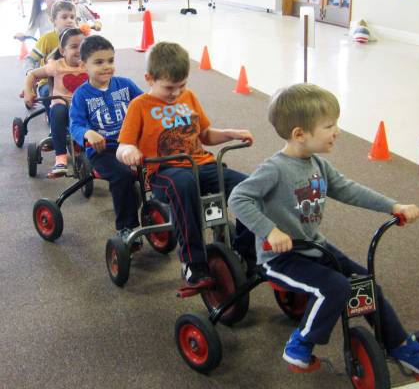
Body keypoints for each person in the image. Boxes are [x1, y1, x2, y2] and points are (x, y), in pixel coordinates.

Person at [228, 83, 419, 378]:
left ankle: (399, 346)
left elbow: (347, 189)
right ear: (299, 134)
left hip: (315, 248)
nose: (337, 131)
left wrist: (392, 205)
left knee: (365, 283)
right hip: (279, 258)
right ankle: (300, 342)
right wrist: (270, 231)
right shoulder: (275, 169)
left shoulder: (317, 163)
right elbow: (238, 198)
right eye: (329, 125)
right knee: (336, 287)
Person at [116, 42, 255, 288]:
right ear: (149, 78)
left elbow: (206, 135)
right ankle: (193, 262)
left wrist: (230, 134)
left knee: (249, 187)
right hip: (164, 171)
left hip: (201, 163)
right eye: (169, 87)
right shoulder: (139, 106)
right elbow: (123, 146)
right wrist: (129, 151)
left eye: (182, 86)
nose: (176, 93)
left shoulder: (189, 98)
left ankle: (246, 253)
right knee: (185, 183)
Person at [69, 35, 143, 242]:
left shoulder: (125, 85)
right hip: (104, 151)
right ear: (84, 65)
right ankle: (127, 227)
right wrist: (87, 133)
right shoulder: (81, 95)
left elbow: (145, 103)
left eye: (110, 60)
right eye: (99, 62)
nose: (107, 66)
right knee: (123, 176)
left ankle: (158, 211)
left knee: (158, 165)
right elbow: (75, 124)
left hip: (130, 144)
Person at [24, 28, 86, 177]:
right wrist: (28, 91)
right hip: (62, 103)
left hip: (83, 105)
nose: (79, 50)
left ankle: (91, 152)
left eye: (83, 46)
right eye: (74, 47)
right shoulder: (56, 65)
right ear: (62, 51)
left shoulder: (89, 64)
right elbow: (33, 74)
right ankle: (60, 157)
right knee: (58, 111)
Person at [23, 0, 77, 96]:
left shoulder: (78, 37)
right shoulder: (47, 39)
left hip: (74, 78)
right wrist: (30, 73)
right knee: (53, 96)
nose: (70, 21)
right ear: (53, 20)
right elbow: (30, 59)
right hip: (49, 82)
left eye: (72, 17)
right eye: (64, 17)